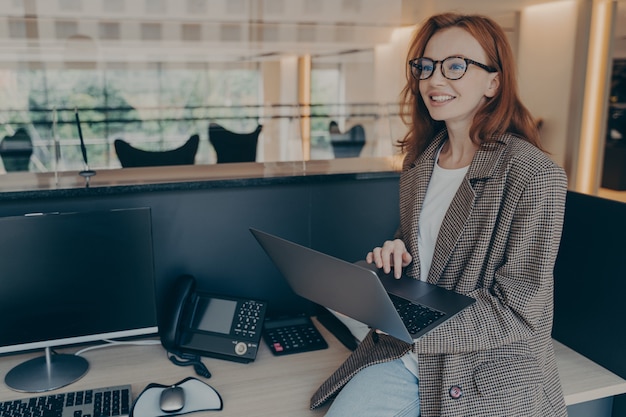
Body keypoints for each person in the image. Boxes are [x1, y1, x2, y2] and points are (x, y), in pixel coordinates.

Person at [310, 12, 568, 417]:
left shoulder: (534, 175)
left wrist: (410, 326)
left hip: (484, 371)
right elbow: (427, 263)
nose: (434, 80)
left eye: (455, 66)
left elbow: (519, 314)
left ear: (493, 82)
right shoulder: (420, 163)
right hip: (408, 358)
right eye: (426, 67)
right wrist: (395, 257)